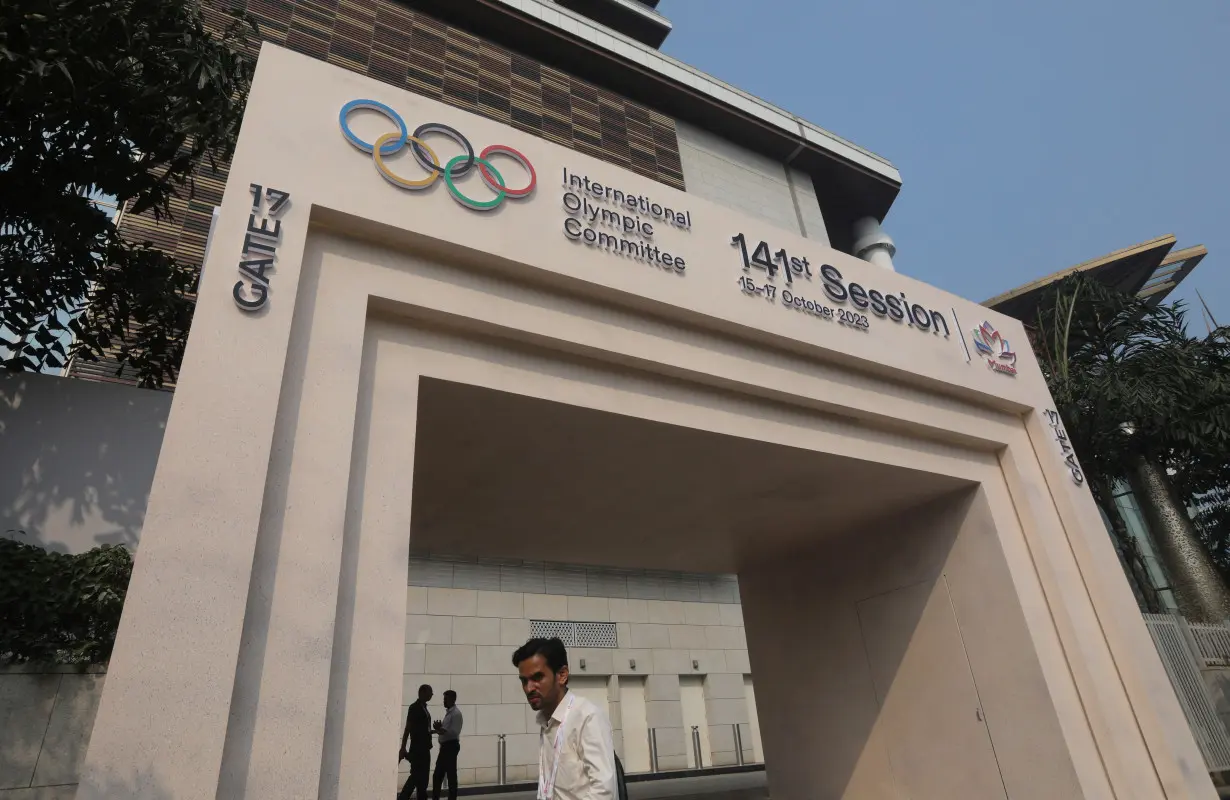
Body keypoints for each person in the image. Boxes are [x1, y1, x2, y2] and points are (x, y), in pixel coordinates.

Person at [512, 637, 617, 800]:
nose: (529, 688)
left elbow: (604, 792)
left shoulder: (587, 717)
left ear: (562, 675)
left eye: (537, 678)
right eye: (524, 681)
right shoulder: (546, 721)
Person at [398, 684, 433, 800]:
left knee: (421, 779)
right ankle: (403, 797)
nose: (432, 694)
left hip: (425, 748)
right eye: (430, 692)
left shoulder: (424, 708)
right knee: (416, 777)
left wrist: (435, 731)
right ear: (422, 692)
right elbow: (408, 728)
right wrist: (403, 747)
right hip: (418, 749)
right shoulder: (414, 708)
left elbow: (423, 730)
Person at [432, 690, 463, 800]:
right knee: (439, 775)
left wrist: (440, 729)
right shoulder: (449, 713)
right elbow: (445, 731)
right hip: (445, 747)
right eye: (444, 698)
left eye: (446, 698)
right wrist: (435, 730)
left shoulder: (456, 714)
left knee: (449, 775)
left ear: (453, 699)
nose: (444, 701)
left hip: (450, 747)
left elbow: (454, 732)